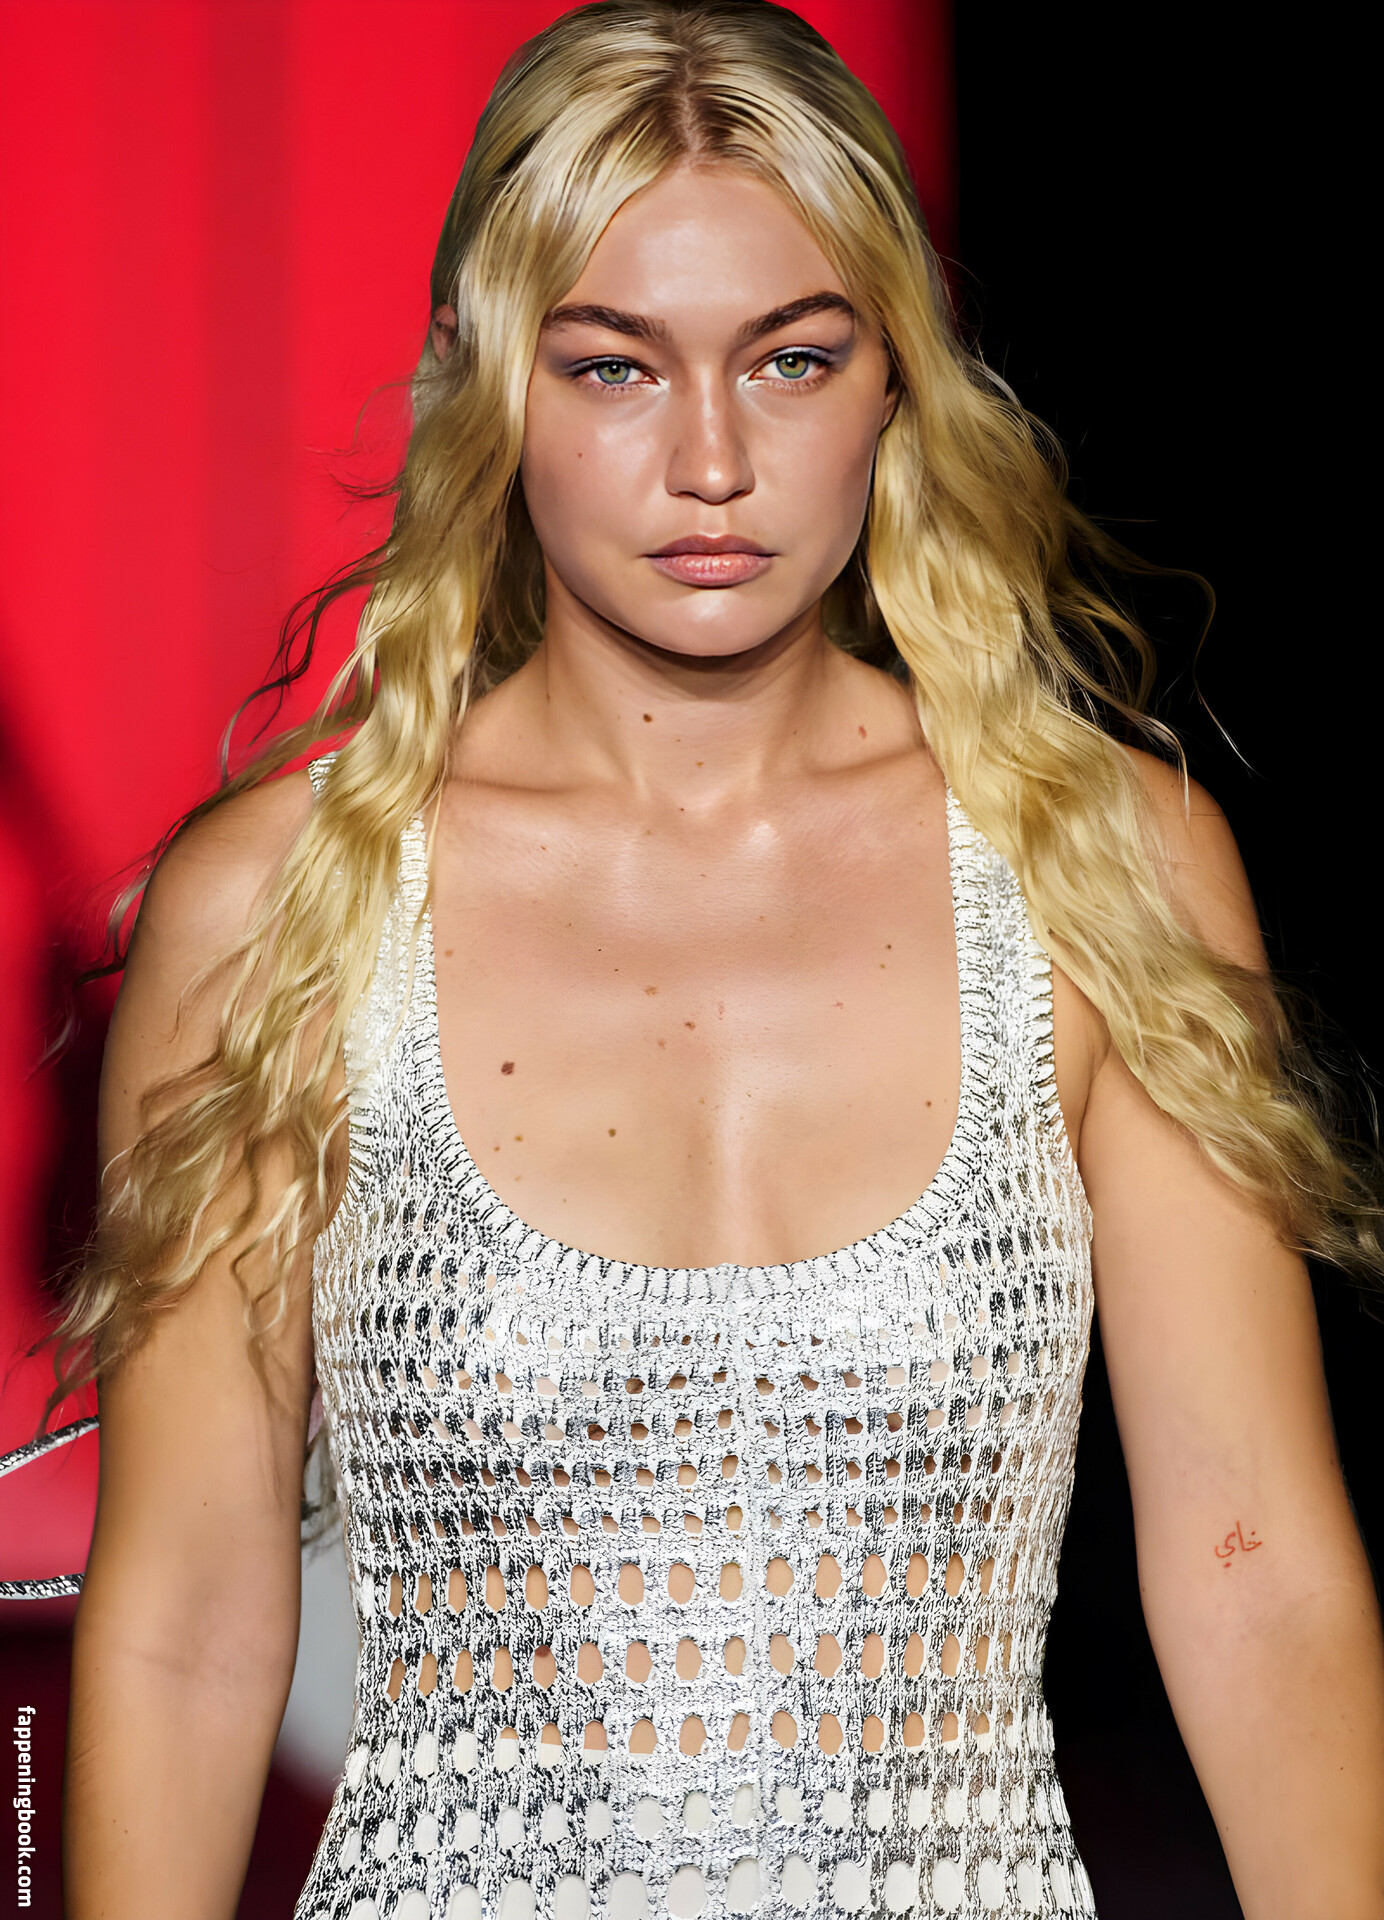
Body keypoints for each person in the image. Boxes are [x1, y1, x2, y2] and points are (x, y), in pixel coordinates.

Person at [47, 2, 1384, 1915]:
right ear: (485, 383)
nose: (710, 461)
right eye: (612, 366)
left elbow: (1254, 1566)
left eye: (791, 358)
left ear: (897, 382)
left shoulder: (1104, 868)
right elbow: (186, 1615)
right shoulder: (284, 908)